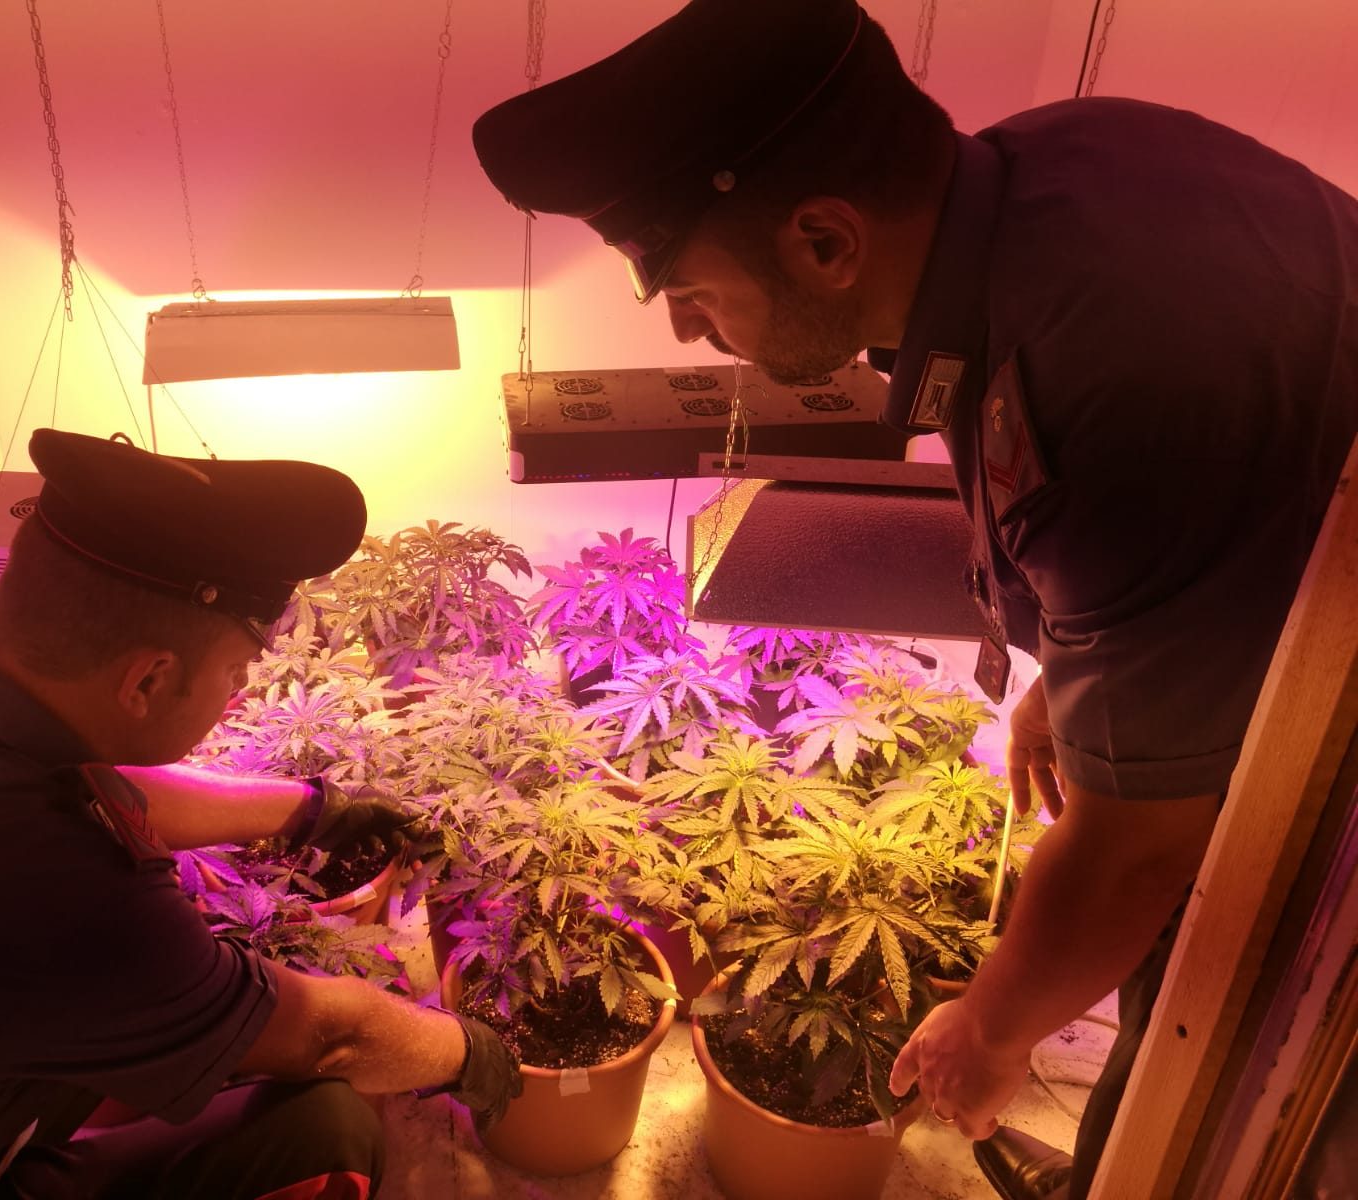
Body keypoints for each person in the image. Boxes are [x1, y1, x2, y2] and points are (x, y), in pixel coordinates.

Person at [470, 2, 1358, 1198]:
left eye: (685, 286)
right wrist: (1083, 674)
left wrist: (987, 1030)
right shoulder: (1066, 166)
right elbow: (1209, 540)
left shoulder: (1128, 370)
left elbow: (1137, 853)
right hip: (1291, 676)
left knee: (1239, 1090)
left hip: (1327, 812)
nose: (684, 324)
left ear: (823, 241)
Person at [0, 429, 521, 1200]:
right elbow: (330, 1037)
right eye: (235, 671)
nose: (238, 690)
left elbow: (94, 789)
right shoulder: (73, 898)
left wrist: (310, 809)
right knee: (325, 1131)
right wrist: (468, 1051)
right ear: (148, 682)